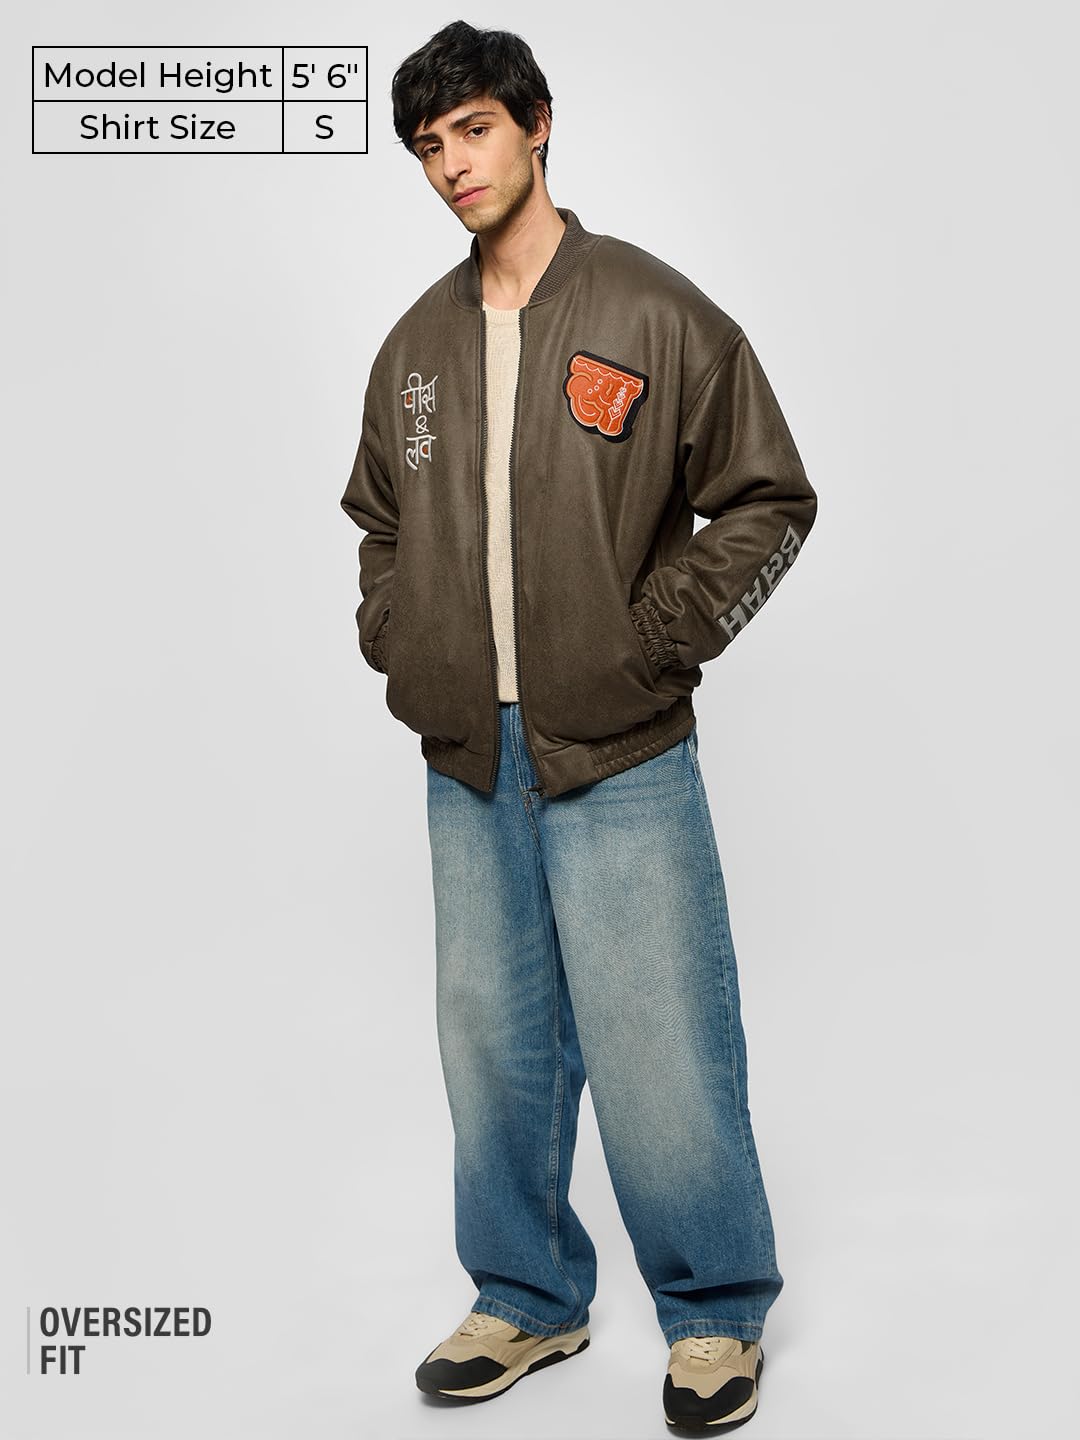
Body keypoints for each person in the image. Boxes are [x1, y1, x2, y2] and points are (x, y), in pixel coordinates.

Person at [339, 19, 817, 1432]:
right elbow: (376, 523)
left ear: (537, 124)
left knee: (661, 1042)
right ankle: (528, 1296)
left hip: (620, 748)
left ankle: (715, 1314)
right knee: (490, 1044)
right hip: (465, 754)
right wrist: (399, 636)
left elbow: (770, 498)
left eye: (474, 130)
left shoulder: (654, 314)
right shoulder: (415, 349)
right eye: (429, 146)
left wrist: (653, 640)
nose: (452, 165)